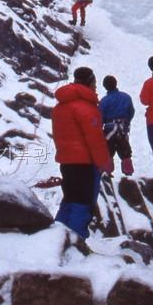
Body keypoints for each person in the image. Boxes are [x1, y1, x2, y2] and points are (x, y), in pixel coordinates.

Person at [51, 66, 113, 239]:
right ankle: (77, 243)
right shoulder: (86, 108)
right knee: (83, 203)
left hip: (66, 161)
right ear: (89, 82)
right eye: (94, 82)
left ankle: (56, 240)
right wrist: (105, 162)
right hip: (84, 163)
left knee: (69, 201)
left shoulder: (60, 107)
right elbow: (95, 140)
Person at [99, 75, 135, 175]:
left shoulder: (104, 101)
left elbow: (100, 117)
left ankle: (107, 173)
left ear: (105, 87)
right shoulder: (126, 97)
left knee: (108, 152)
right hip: (122, 129)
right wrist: (126, 122)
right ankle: (128, 173)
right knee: (125, 151)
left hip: (109, 130)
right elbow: (131, 112)